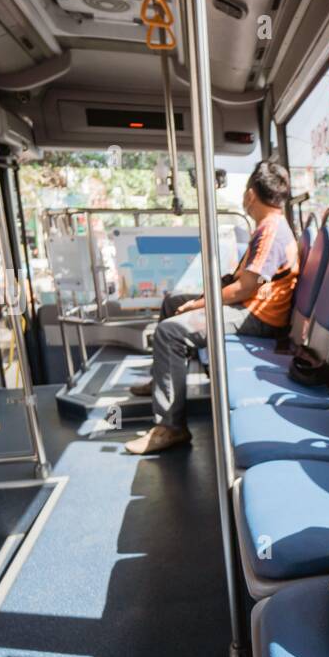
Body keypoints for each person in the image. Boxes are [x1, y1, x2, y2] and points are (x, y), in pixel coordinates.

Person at [125, 161, 298, 454]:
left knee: (170, 332)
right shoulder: (267, 227)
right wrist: (199, 299)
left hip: (259, 316)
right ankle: (162, 381)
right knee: (173, 301)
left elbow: (245, 288)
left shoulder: (272, 231)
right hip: (250, 305)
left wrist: (202, 303)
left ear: (251, 195)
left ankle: (171, 427)